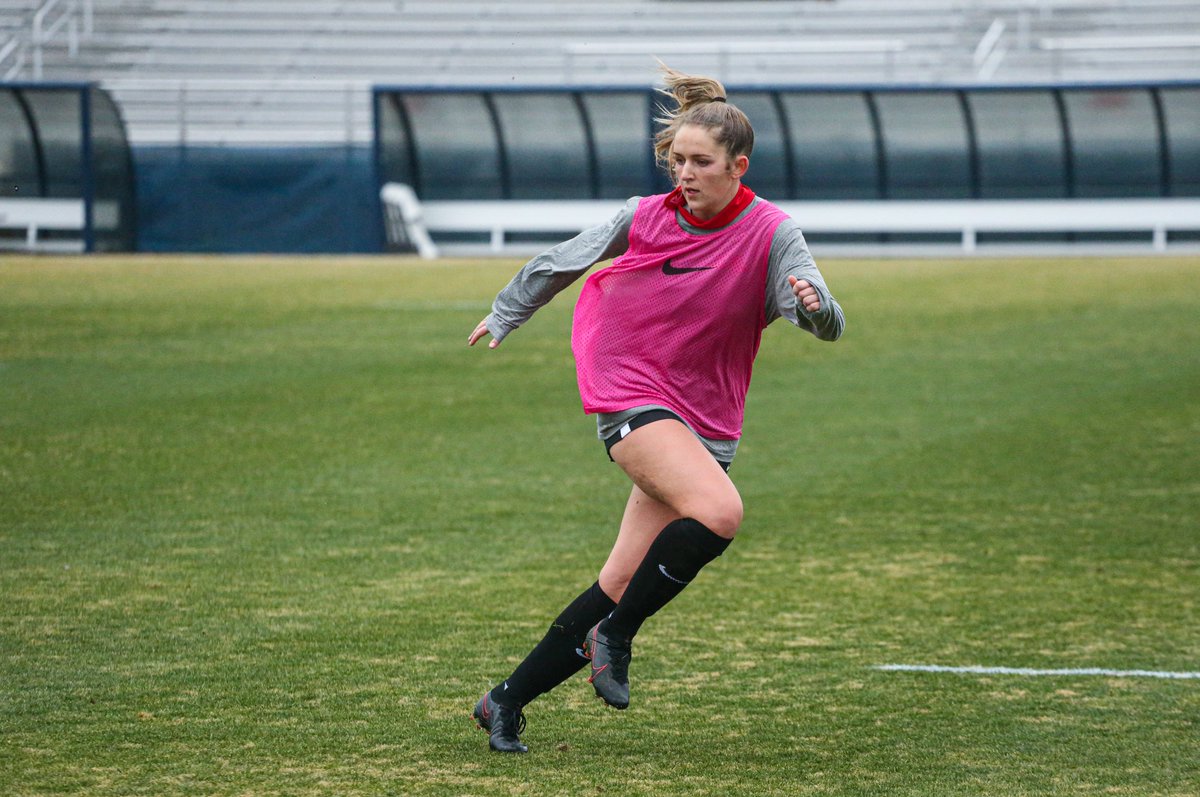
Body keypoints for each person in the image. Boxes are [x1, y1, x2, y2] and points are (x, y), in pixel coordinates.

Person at [467, 63, 845, 754]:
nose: (686, 173)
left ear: (739, 165)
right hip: (634, 398)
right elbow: (565, 259)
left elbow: (819, 314)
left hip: (707, 420)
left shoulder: (771, 231)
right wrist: (507, 310)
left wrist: (820, 311)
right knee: (721, 511)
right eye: (678, 160)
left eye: (702, 162)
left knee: (615, 583)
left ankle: (504, 700)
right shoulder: (644, 215)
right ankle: (615, 636)